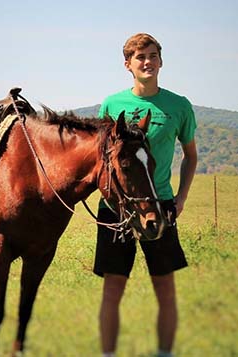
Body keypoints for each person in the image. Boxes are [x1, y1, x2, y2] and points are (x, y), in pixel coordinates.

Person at [93, 33, 197, 357]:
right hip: (116, 209)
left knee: (165, 289)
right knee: (113, 288)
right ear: (128, 65)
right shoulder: (111, 105)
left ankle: (164, 354)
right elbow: (101, 158)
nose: (147, 62)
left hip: (160, 205)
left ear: (161, 61)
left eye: (152, 56)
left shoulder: (179, 106)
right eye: (140, 57)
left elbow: (191, 155)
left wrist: (179, 200)